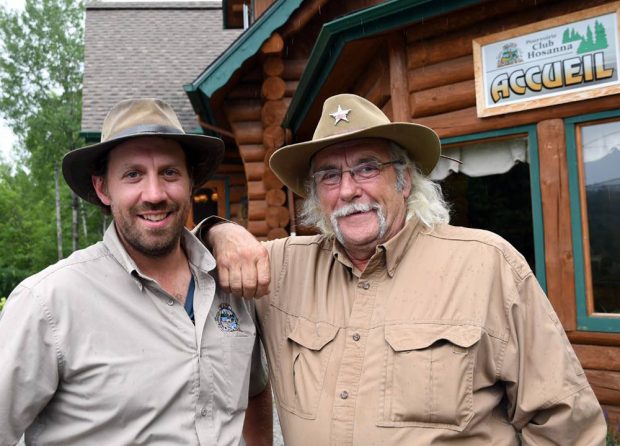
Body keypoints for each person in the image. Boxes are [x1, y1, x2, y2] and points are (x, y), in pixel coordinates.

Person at [204, 93, 607, 445]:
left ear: (404, 180)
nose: (348, 189)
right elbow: (177, 259)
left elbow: (565, 423)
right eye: (329, 175)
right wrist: (218, 231)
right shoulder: (281, 267)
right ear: (315, 195)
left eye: (366, 167)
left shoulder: (486, 264)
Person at [0, 98, 272, 445]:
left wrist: (220, 229)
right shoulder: (48, 303)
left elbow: (253, 394)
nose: (155, 194)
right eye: (133, 175)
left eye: (170, 172)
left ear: (191, 182)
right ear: (103, 188)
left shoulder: (231, 286)